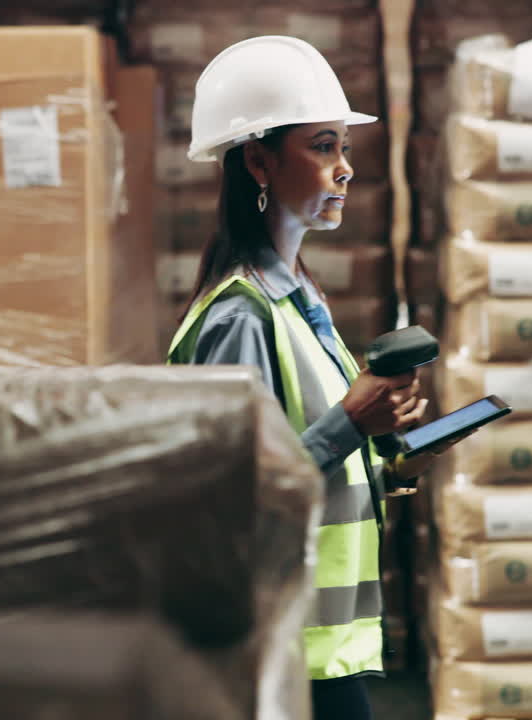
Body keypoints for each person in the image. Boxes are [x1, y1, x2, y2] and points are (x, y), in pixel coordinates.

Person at [167, 36, 457, 720]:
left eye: (344, 149)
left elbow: (306, 450)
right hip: (276, 642)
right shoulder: (241, 315)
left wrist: (388, 448)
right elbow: (238, 495)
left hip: (315, 647)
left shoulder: (301, 297)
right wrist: (353, 421)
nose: (345, 169)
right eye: (323, 147)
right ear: (260, 161)